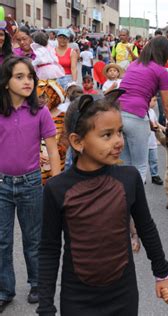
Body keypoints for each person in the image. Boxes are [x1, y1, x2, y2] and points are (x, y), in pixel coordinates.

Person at [36, 91, 168, 316]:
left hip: (123, 295)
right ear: (77, 141)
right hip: (77, 297)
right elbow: (49, 249)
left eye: (119, 132)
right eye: (107, 135)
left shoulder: (129, 178)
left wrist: (163, 275)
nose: (118, 141)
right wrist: (45, 306)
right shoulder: (57, 189)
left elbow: (147, 228)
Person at [0, 56, 60, 313]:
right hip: (1, 185)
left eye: (29, 77)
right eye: (19, 77)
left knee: (33, 239)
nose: (27, 82)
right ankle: (5, 290)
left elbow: (54, 152)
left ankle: (37, 284)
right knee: (1, 241)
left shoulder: (40, 111)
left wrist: (57, 186)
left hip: (31, 183)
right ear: (5, 82)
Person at [119, 36, 168, 183]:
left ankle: (122, 201)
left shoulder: (134, 64)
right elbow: (167, 107)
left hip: (117, 115)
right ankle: (135, 203)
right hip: (136, 117)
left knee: (125, 164)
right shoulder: (161, 72)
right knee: (140, 166)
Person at [147, 97, 163, 186]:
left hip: (152, 141)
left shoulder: (152, 112)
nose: (156, 103)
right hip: (144, 141)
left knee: (154, 159)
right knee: (143, 161)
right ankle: (142, 178)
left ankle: (155, 175)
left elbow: (156, 123)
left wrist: (164, 128)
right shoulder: (143, 113)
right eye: (154, 100)